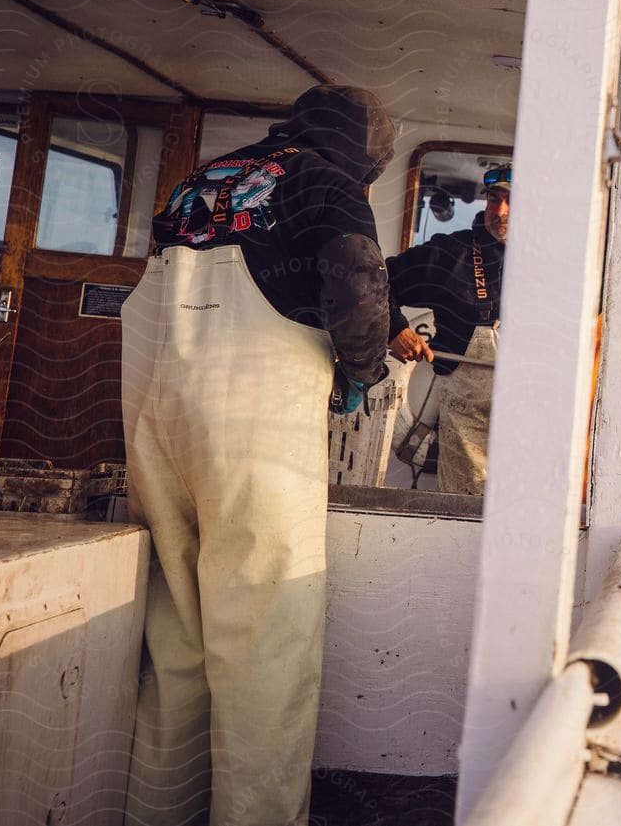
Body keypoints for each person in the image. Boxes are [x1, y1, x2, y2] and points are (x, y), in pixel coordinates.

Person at [119, 84, 394, 826]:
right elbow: (359, 284)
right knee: (266, 640)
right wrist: (363, 371)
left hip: (155, 410)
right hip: (250, 424)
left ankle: (159, 812)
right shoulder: (327, 182)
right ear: (366, 158)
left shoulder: (199, 181)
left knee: (177, 634)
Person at [384, 165, 509, 494]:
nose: (499, 211)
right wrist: (395, 328)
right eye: (494, 200)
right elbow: (375, 282)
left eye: (512, 201)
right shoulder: (449, 254)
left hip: (531, 424)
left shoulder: (557, 265)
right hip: (467, 431)